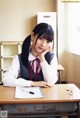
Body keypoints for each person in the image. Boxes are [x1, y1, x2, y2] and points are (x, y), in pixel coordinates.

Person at [3, 22, 58, 88]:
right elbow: (6, 80)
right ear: (32, 36)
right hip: (24, 96)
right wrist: (32, 83)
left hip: (46, 97)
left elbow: (50, 82)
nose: (43, 44)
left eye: (47, 41)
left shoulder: (51, 58)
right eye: (41, 38)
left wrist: (42, 59)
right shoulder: (18, 58)